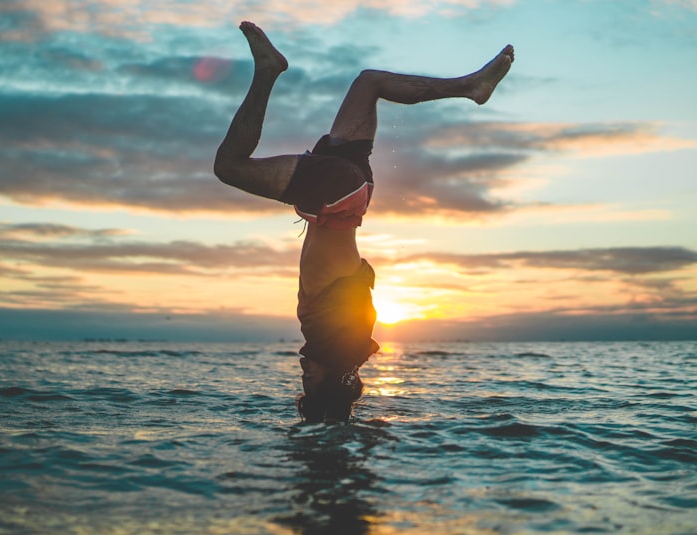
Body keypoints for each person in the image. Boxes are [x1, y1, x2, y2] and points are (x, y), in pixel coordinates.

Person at [214, 21, 514, 423]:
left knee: (369, 82)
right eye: (310, 384)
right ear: (334, 378)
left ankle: (470, 87)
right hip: (334, 194)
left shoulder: (338, 336)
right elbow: (344, 355)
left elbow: (345, 355)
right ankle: (267, 72)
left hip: (350, 192)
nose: (304, 377)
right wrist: (343, 382)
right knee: (229, 167)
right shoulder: (334, 340)